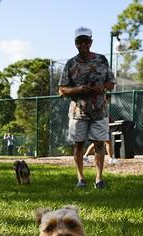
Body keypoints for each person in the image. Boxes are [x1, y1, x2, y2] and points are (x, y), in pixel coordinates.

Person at [58, 26, 116, 189]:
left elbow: (111, 83)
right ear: (75, 43)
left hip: (100, 111)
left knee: (99, 144)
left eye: (86, 41)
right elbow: (62, 90)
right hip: (78, 113)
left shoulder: (102, 60)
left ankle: (99, 179)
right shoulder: (71, 64)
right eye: (79, 41)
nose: (83, 44)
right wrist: (79, 90)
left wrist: (101, 87)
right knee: (78, 145)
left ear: (91, 42)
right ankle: (81, 178)